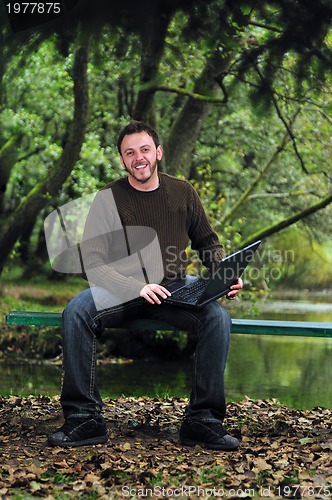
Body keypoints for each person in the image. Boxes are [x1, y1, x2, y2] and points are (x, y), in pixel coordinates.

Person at [48, 120, 243, 450]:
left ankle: (203, 420)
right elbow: (91, 262)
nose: (138, 158)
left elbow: (208, 242)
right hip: (120, 289)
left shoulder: (183, 192)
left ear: (158, 152)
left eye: (144, 150)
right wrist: (133, 287)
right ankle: (84, 419)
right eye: (130, 153)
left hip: (174, 287)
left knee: (217, 317)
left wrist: (224, 274)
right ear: (123, 160)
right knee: (77, 311)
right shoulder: (107, 198)